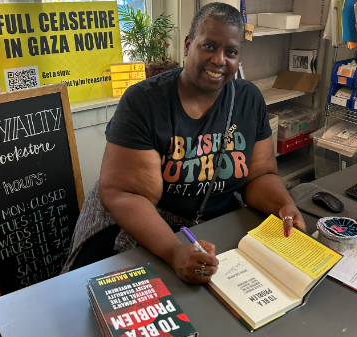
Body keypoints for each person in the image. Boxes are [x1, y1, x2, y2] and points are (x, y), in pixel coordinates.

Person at [66, 2, 306, 283]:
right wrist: (173, 250)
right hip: (145, 222)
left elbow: (260, 175)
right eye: (209, 46)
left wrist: (283, 205)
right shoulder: (144, 102)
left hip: (215, 223)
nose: (219, 60)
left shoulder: (248, 99)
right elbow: (127, 194)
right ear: (188, 45)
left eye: (231, 52)